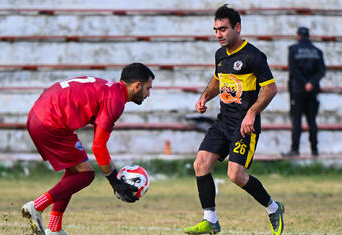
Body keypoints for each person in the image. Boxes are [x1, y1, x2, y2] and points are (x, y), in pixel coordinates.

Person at [184, 5, 284, 235]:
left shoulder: (253, 56)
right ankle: (210, 220)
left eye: (223, 29)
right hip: (222, 122)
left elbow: (271, 89)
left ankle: (273, 208)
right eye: (216, 29)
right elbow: (218, 81)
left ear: (237, 28)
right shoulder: (220, 54)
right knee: (200, 164)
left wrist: (252, 113)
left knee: (235, 175)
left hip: (244, 127)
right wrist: (204, 97)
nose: (218, 34)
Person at [21, 62, 154, 235]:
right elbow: (98, 146)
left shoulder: (108, 89)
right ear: (137, 85)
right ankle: (37, 206)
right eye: (148, 88)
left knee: (75, 172)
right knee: (86, 174)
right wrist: (114, 181)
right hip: (50, 122)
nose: (148, 94)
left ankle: (54, 227)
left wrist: (113, 177)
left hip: (38, 117)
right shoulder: (115, 101)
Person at [282, 27, 326, 158]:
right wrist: (311, 83)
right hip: (312, 91)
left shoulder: (293, 50)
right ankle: (314, 150)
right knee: (312, 121)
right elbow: (322, 70)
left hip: (298, 90)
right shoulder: (317, 51)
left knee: (297, 122)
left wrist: (304, 83)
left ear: (298, 36)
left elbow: (293, 70)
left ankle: (295, 149)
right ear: (308, 35)